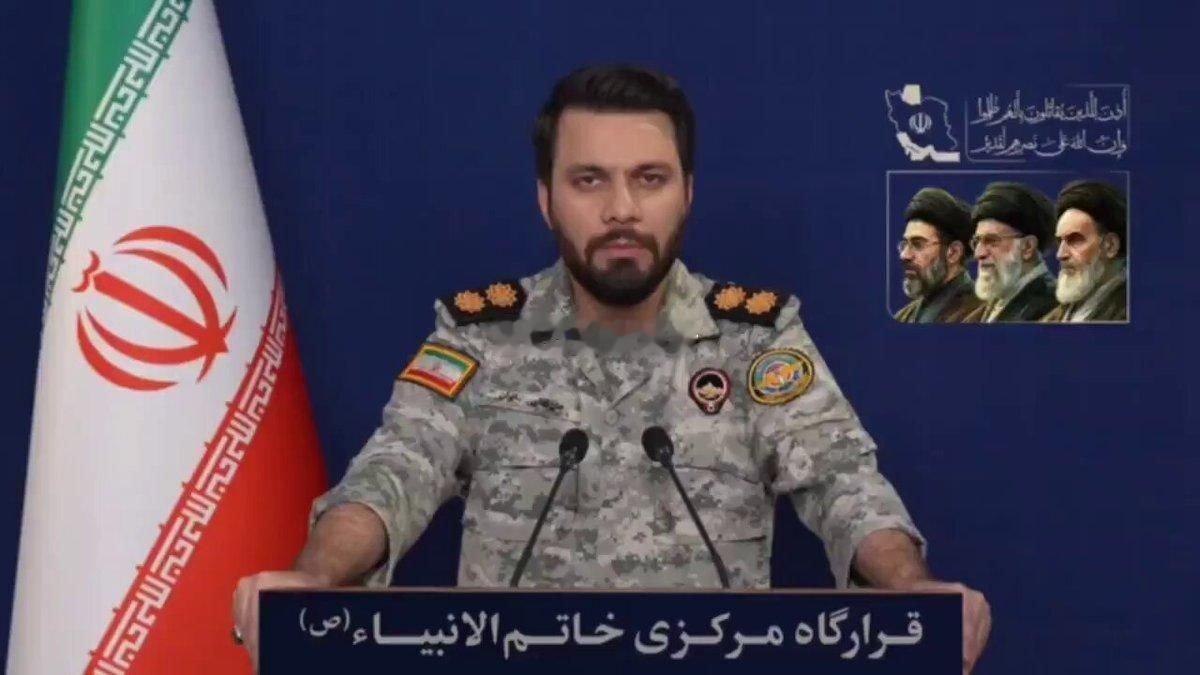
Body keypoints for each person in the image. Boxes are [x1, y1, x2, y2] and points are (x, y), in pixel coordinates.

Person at [232, 65, 991, 672]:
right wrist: (315, 579)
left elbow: (841, 480)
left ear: (687, 194)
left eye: (649, 178)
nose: (621, 208)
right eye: (589, 179)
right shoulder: (479, 336)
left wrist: (913, 594)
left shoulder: (755, 339)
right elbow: (397, 469)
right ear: (546, 200)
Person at [963, 182, 1058, 322]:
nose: (978, 253)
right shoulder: (997, 299)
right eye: (977, 241)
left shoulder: (1050, 307)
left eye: (992, 241)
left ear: (1027, 247)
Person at [1041, 180, 1128, 322]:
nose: (1060, 254)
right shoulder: (1053, 318)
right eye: (1059, 241)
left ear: (1110, 246)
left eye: (1075, 240)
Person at [894, 187, 982, 323]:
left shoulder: (984, 314)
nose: (905, 255)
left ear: (953, 253)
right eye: (905, 244)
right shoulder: (903, 317)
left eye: (918, 244)